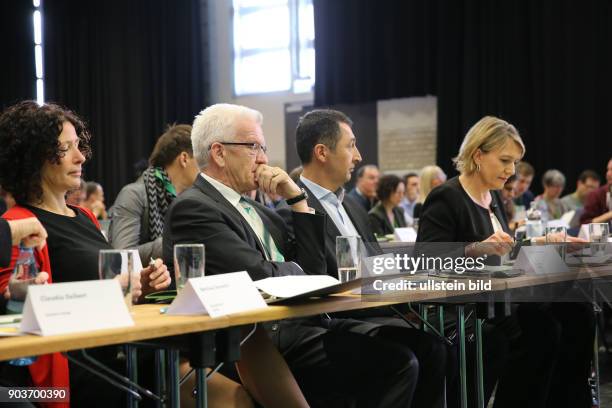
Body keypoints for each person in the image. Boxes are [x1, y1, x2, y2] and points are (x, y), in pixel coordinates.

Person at [164, 103, 418, 407]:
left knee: (421, 348)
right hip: (254, 341)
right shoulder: (194, 207)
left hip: (302, 325)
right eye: (253, 147)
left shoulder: (261, 211)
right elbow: (260, 276)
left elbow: (316, 273)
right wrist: (296, 272)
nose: (264, 159)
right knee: (397, 364)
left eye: (263, 148)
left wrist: (296, 199)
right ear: (219, 153)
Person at [0, 101, 172, 406]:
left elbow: (103, 291)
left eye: (78, 146)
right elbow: (13, 320)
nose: (80, 157)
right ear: (35, 156)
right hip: (68, 373)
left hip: (113, 352)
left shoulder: (84, 217)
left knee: (183, 363)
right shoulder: (17, 225)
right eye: (66, 148)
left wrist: (139, 287)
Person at [417, 115, 594, 408]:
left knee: (579, 312)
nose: (511, 171)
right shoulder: (446, 197)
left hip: (502, 299)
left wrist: (543, 242)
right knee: (541, 330)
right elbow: (425, 262)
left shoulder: (494, 197)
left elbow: (505, 250)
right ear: (478, 155)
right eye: (504, 161)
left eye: (514, 162)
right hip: (466, 308)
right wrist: (473, 249)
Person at [288, 108, 453, 408]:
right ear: (322, 152)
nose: (358, 155)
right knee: (413, 356)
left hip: (376, 309)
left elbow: (378, 265)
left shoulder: (351, 206)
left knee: (437, 346)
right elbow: (314, 280)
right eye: (350, 145)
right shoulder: (295, 210)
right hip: (339, 319)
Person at [109, 124, 200, 263]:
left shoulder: (192, 201)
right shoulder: (133, 194)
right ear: (184, 158)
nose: (205, 168)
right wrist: (176, 240)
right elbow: (122, 255)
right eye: (201, 160)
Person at [580, 157, 612, 225]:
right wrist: (608, 215)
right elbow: (584, 223)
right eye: (608, 170)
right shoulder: (596, 195)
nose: (608, 174)